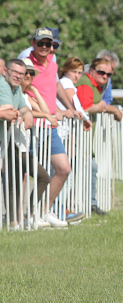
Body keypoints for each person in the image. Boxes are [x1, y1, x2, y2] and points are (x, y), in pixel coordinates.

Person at [23, 28, 82, 227]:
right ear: (33, 43)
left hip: (50, 127)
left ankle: (44, 211)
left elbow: (54, 88)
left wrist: (66, 108)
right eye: (41, 43)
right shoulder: (27, 63)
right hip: (34, 125)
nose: (45, 47)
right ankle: (28, 216)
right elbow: (25, 91)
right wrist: (43, 112)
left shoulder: (53, 63)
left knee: (64, 169)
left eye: (48, 44)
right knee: (38, 173)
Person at [0, 59, 52, 229]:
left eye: (23, 74)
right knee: (25, 180)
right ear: (6, 71)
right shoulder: (3, 85)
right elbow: (8, 110)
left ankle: (17, 220)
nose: (20, 76)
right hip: (10, 142)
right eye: (16, 72)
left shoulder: (16, 90)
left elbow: (22, 109)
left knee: (15, 182)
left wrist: (28, 113)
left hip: (12, 141)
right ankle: (21, 218)